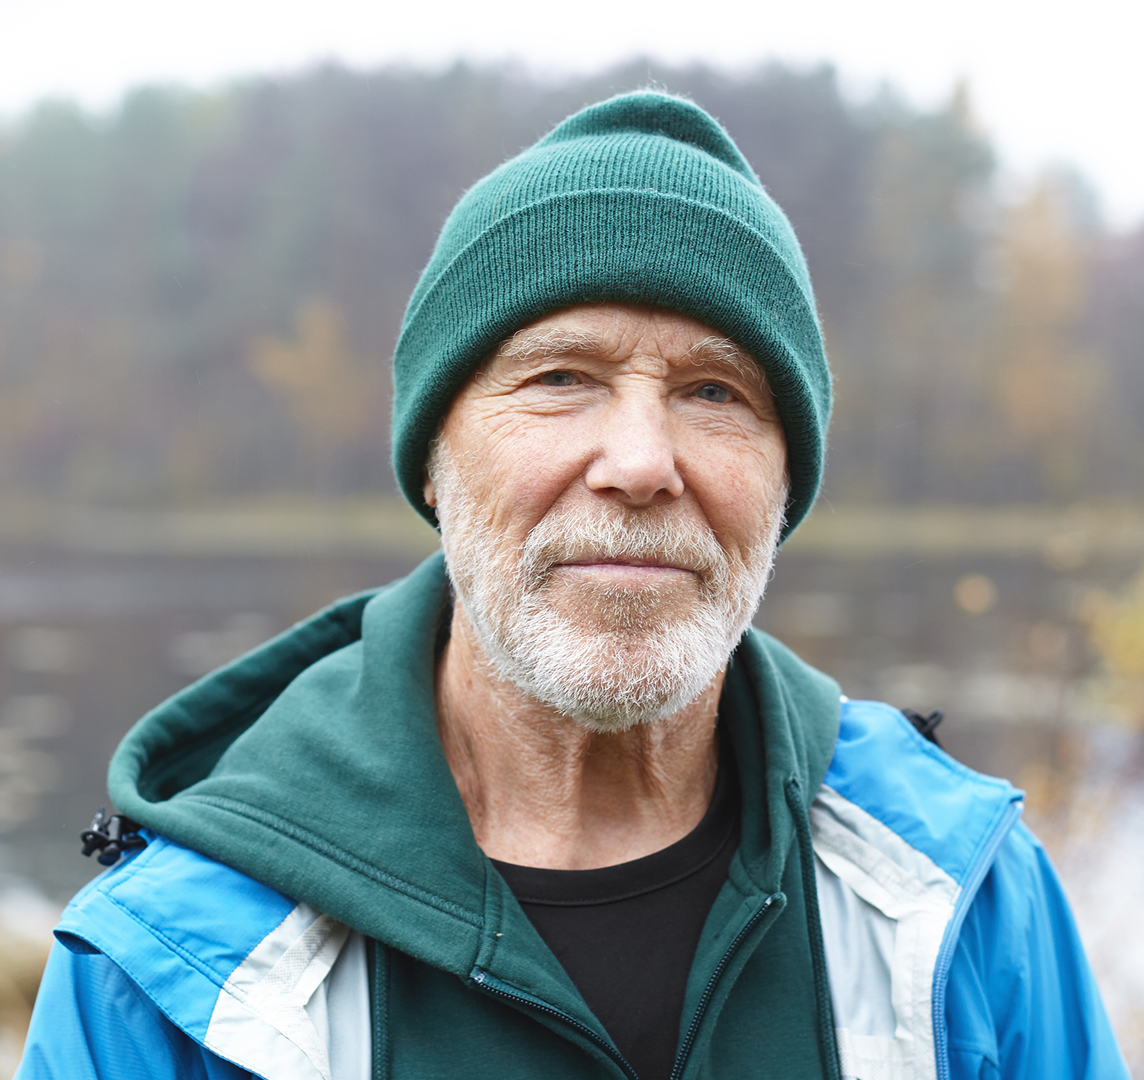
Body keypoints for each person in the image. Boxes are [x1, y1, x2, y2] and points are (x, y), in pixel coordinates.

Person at [17, 92, 1127, 1080]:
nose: (641, 463)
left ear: (785, 479)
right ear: (436, 462)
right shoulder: (169, 965)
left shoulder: (958, 898)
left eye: (713, 391)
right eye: (560, 378)